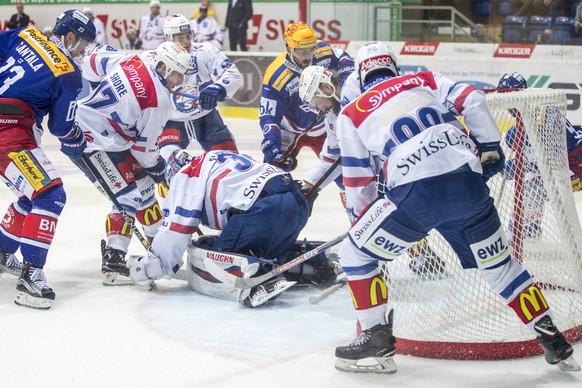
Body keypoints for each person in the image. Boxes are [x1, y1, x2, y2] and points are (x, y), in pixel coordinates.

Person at [332, 43, 577, 373]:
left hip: (414, 194)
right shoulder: (424, 79)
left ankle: (376, 336)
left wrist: (360, 223)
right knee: (500, 267)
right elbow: (473, 100)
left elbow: (359, 179)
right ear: (392, 65)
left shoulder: (352, 111)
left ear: (362, 75)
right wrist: (490, 147)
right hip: (468, 186)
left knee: (356, 253)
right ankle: (551, 337)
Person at [299, 59, 446, 279]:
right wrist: (309, 184)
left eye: (316, 101)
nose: (317, 107)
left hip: (398, 164)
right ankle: (372, 265)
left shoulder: (361, 95)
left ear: (326, 88)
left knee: (402, 212)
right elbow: (332, 156)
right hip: (368, 172)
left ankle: (421, 254)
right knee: (362, 215)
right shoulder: (332, 118)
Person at [71, 42, 193, 286]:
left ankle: (158, 250)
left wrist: (97, 93)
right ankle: (114, 256)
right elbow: (143, 150)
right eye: (178, 74)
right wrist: (159, 169)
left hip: (105, 136)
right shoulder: (159, 101)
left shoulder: (135, 59)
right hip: (90, 140)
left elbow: (92, 60)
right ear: (164, 68)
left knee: (145, 188)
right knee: (127, 196)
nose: (180, 81)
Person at [0, 10, 96, 309]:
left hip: (9, 129)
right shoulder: (68, 73)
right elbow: (61, 128)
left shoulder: (25, 34)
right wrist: (77, 139)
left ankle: (2, 252)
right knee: (50, 195)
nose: (83, 53)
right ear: (69, 37)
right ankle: (32, 276)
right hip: (9, 134)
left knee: (31, 197)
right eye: (83, 45)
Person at [128, 150, 309, 307]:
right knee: (266, 248)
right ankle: (310, 265)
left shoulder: (186, 175)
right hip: (296, 202)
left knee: (219, 254)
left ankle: (262, 278)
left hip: (265, 211)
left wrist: (149, 268)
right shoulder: (215, 159)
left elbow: (176, 229)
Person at [157, 14, 243, 197]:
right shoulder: (156, 58)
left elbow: (234, 75)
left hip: (207, 119)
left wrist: (218, 89)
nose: (186, 41)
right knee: (168, 166)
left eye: (188, 35)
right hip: (172, 123)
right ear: (168, 38)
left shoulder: (205, 50)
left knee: (233, 164)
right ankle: (173, 207)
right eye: (180, 37)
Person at [260, 21, 354, 173]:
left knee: (344, 173)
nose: (308, 56)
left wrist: (346, 82)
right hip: (290, 130)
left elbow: (344, 58)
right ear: (289, 48)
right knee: (274, 169)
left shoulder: (322, 51)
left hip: (323, 127)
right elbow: (268, 115)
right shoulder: (275, 77)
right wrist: (272, 141)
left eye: (311, 49)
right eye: (302, 52)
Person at [497, 72, 582, 239]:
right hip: (569, 162)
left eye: (508, 96)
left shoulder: (543, 111)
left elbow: (550, 160)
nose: (507, 104)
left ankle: (520, 229)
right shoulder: (529, 111)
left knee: (535, 182)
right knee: (533, 180)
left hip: (576, 161)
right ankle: (529, 226)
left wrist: (518, 165)